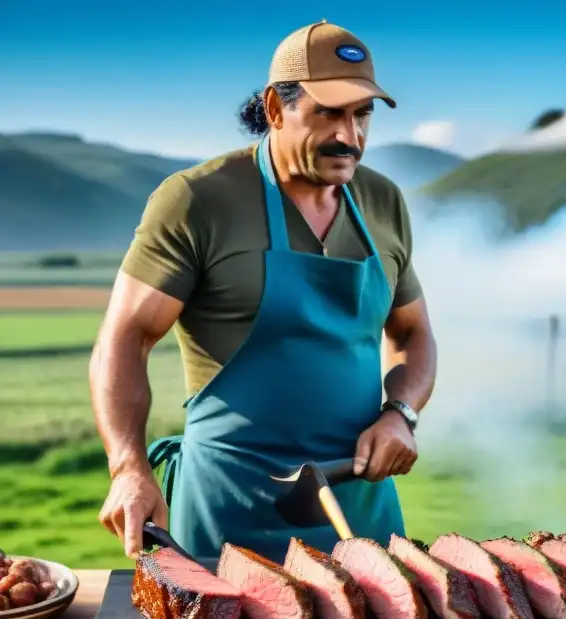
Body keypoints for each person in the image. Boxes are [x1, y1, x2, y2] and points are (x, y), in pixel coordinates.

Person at [88, 21, 437, 562]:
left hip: (361, 509)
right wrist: (128, 467)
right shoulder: (197, 200)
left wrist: (402, 413)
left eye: (361, 113)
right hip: (231, 514)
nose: (351, 135)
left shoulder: (382, 201)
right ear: (276, 108)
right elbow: (125, 337)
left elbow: (413, 333)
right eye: (329, 112)